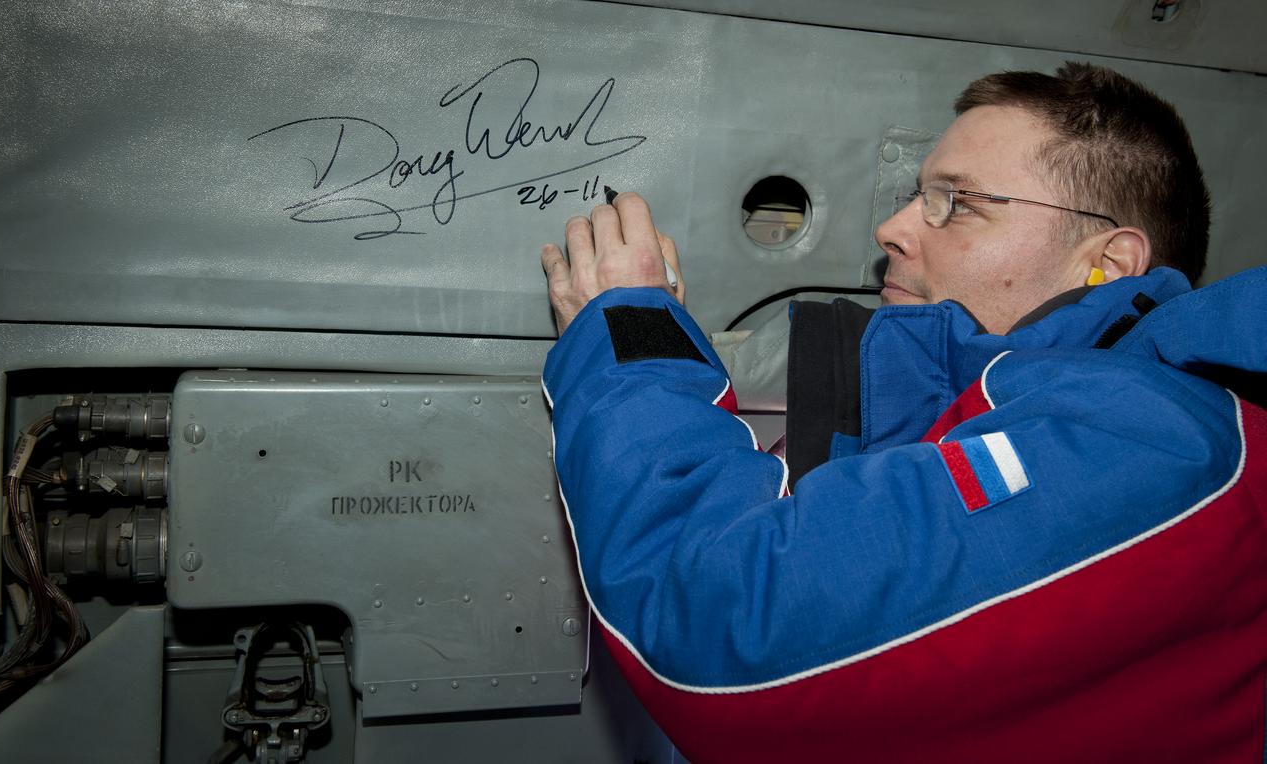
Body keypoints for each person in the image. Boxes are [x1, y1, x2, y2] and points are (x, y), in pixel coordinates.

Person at [538, 62, 1267, 763]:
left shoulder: (1155, 441)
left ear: (1106, 262)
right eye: (915, 195)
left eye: (957, 202)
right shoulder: (1004, 422)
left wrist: (634, 331)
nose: (892, 228)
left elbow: (721, 621)